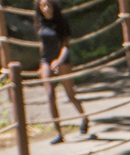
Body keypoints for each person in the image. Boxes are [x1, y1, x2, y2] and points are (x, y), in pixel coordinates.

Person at [35, 0, 90, 145]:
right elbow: (42, 44)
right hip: (46, 60)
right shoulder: (39, 22)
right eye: (42, 6)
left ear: (53, 6)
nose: (46, 8)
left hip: (62, 59)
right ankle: (59, 133)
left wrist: (59, 61)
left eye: (48, 5)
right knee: (50, 95)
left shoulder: (60, 22)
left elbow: (66, 46)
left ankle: (84, 118)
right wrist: (41, 65)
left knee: (70, 95)